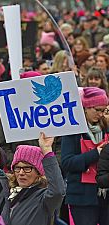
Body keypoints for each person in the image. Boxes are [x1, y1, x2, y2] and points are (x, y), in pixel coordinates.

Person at [0, 133, 65, 225]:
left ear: (39, 172)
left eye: (27, 168)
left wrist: (47, 151)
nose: (21, 173)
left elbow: (58, 191)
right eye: (17, 168)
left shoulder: (44, 198)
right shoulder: (7, 192)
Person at [61, 87, 109, 225]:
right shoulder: (73, 130)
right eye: (97, 109)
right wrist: (97, 153)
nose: (100, 114)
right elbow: (67, 162)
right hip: (82, 197)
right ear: (85, 108)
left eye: (103, 110)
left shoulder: (107, 127)